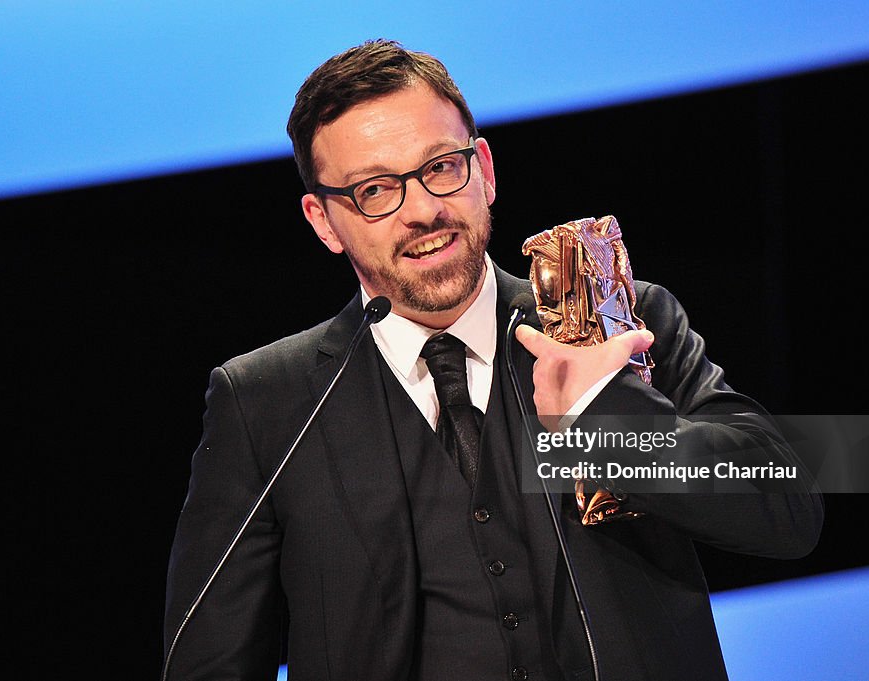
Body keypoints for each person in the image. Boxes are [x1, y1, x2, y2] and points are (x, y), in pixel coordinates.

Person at [164, 39, 823, 681]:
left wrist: (608, 418)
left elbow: (790, 509)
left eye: (441, 168)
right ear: (324, 220)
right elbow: (209, 659)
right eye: (374, 190)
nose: (422, 210)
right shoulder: (264, 402)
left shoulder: (623, 325)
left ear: (485, 168)